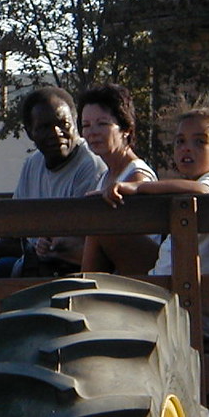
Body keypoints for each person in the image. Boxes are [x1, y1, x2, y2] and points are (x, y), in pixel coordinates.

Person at [102, 103, 209, 339]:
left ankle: (80, 303)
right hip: (176, 291)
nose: (187, 148)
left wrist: (138, 187)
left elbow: (204, 191)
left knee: (102, 230)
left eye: (200, 142)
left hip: (182, 304)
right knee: (105, 231)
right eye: (180, 141)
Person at [0, 86, 106, 280]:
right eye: (44, 127)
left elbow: (70, 246)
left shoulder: (89, 166)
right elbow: (17, 230)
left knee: (1, 269)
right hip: (32, 257)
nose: (56, 133)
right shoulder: (33, 164)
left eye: (63, 124)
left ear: (75, 123)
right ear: (30, 133)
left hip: (63, 266)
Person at [77, 83, 159, 276]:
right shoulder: (105, 175)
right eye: (86, 125)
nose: (92, 132)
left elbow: (127, 246)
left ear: (126, 129)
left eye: (102, 124)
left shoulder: (137, 176)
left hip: (143, 276)